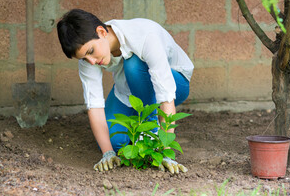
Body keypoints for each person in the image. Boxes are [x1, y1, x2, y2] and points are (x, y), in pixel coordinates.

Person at [57, 9, 194, 174]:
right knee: (115, 143)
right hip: (129, 89)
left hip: (174, 82)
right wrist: (107, 153)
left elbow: (166, 95)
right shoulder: (89, 59)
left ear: (101, 32)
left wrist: (166, 153)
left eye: (91, 52)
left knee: (133, 64)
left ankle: (150, 128)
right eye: (84, 58)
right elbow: (94, 106)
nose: (91, 62)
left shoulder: (144, 36)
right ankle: (139, 131)